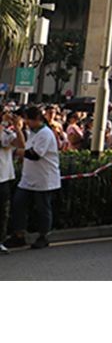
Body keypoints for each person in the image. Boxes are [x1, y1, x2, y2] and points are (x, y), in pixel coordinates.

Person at [3, 105, 61, 250]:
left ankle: (43, 235)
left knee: (42, 208)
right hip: (28, 178)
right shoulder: (32, 132)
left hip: (43, 178)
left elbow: (35, 155)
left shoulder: (46, 134)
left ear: (36, 119)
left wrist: (20, 152)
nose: (26, 122)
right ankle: (19, 235)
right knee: (18, 204)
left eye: (27, 119)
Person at [0, 109, 25, 254]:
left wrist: (17, 126)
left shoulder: (7, 134)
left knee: (2, 212)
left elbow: (21, 144)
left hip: (3, 179)